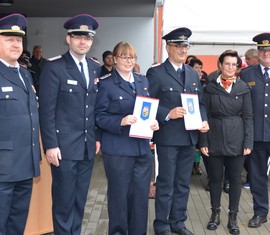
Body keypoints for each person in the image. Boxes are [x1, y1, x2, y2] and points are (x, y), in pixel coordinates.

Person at [38, 14, 101, 234]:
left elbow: (94, 107)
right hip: (63, 148)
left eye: (87, 37)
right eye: (77, 37)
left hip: (86, 147)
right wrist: (50, 145)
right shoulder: (54, 67)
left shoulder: (95, 68)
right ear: (68, 39)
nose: (83, 42)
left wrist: (97, 137)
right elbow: (46, 111)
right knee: (64, 203)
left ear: (92, 41)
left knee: (79, 201)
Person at [146, 27, 209, 235]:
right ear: (168, 48)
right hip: (168, 137)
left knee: (183, 184)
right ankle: (162, 224)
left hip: (189, 137)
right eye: (178, 46)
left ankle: (178, 222)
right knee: (165, 183)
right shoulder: (156, 72)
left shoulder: (192, 73)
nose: (183, 50)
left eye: (185, 46)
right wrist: (167, 113)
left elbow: (199, 103)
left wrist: (204, 120)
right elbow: (148, 104)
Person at [95, 41, 159, 235]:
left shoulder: (142, 81)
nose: (128, 60)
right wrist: (121, 121)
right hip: (118, 150)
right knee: (119, 197)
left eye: (131, 57)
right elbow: (99, 116)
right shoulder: (106, 84)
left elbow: (147, 110)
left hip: (141, 149)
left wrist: (153, 123)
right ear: (114, 59)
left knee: (140, 197)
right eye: (123, 56)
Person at [199, 50, 253, 235]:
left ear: (237, 68)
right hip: (214, 136)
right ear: (220, 65)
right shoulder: (209, 88)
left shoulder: (243, 88)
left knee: (236, 180)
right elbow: (203, 114)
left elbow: (248, 117)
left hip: (237, 139)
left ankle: (233, 217)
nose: (230, 67)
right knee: (215, 180)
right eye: (227, 64)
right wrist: (203, 140)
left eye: (234, 64)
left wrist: (248, 142)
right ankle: (215, 214)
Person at [0, 13, 41, 234]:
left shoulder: (25, 75)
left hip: (25, 164)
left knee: (17, 223)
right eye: (9, 39)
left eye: (19, 40)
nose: (16, 44)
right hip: (3, 167)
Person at [241, 32, 270, 229]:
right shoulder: (247, 74)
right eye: (262, 50)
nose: (266, 53)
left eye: (269, 50)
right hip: (257, 135)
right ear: (258, 52)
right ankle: (260, 212)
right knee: (257, 176)